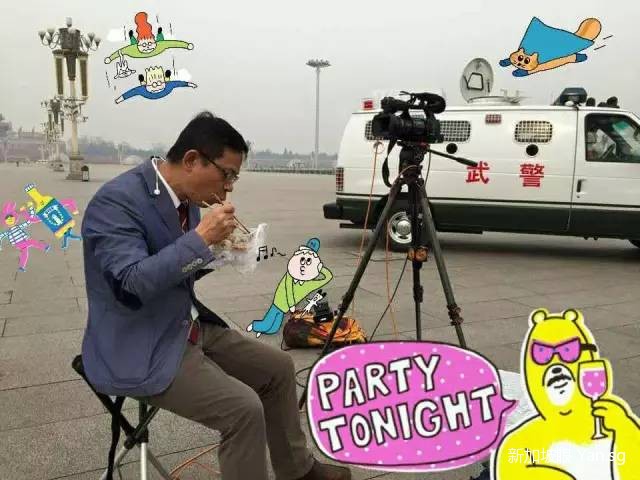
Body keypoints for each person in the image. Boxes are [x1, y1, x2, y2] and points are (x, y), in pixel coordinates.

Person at [80, 111, 351, 480]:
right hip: (138, 343)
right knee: (243, 411)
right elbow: (132, 282)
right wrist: (200, 240)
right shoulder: (116, 202)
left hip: (185, 325)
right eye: (227, 175)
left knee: (278, 369)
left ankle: (297, 470)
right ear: (193, 160)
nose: (229, 188)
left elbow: (177, 269)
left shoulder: (188, 200)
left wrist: (223, 252)